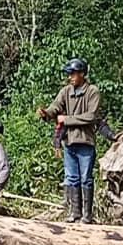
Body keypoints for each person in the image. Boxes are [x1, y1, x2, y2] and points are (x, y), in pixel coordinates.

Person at [37, 58, 101, 224]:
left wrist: (66, 119)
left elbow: (91, 116)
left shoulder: (92, 91)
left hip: (85, 142)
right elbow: (55, 107)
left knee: (86, 178)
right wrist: (46, 113)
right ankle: (75, 213)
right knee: (72, 178)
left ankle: (87, 215)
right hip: (69, 143)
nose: (70, 77)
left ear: (82, 74)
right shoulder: (66, 91)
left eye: (73, 74)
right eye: (69, 74)